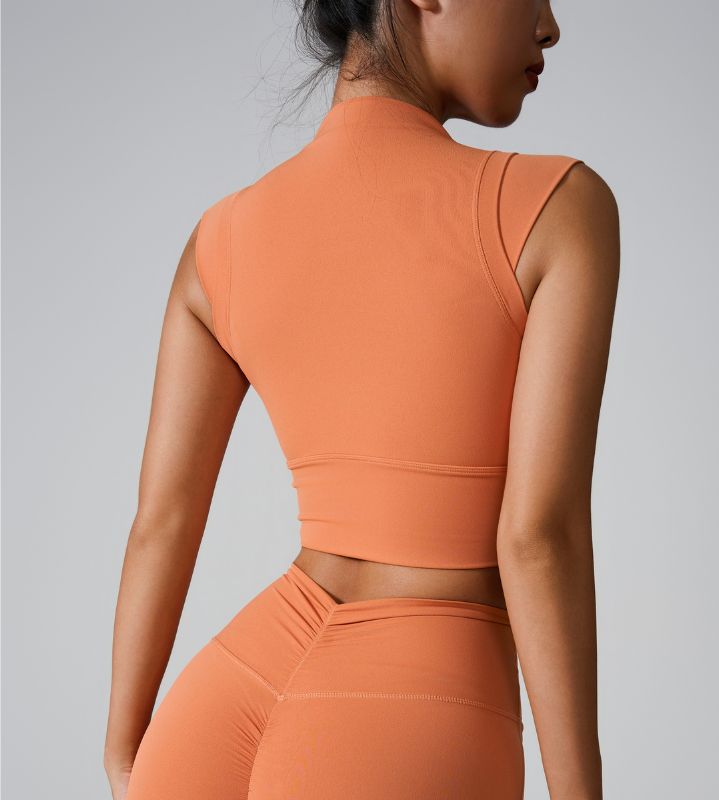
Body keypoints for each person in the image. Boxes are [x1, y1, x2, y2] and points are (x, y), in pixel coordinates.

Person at [104, 1, 619, 798]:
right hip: (411, 720)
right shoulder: (554, 206)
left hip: (208, 719)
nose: (549, 24)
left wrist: (123, 747)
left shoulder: (221, 237)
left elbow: (161, 521)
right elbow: (536, 538)